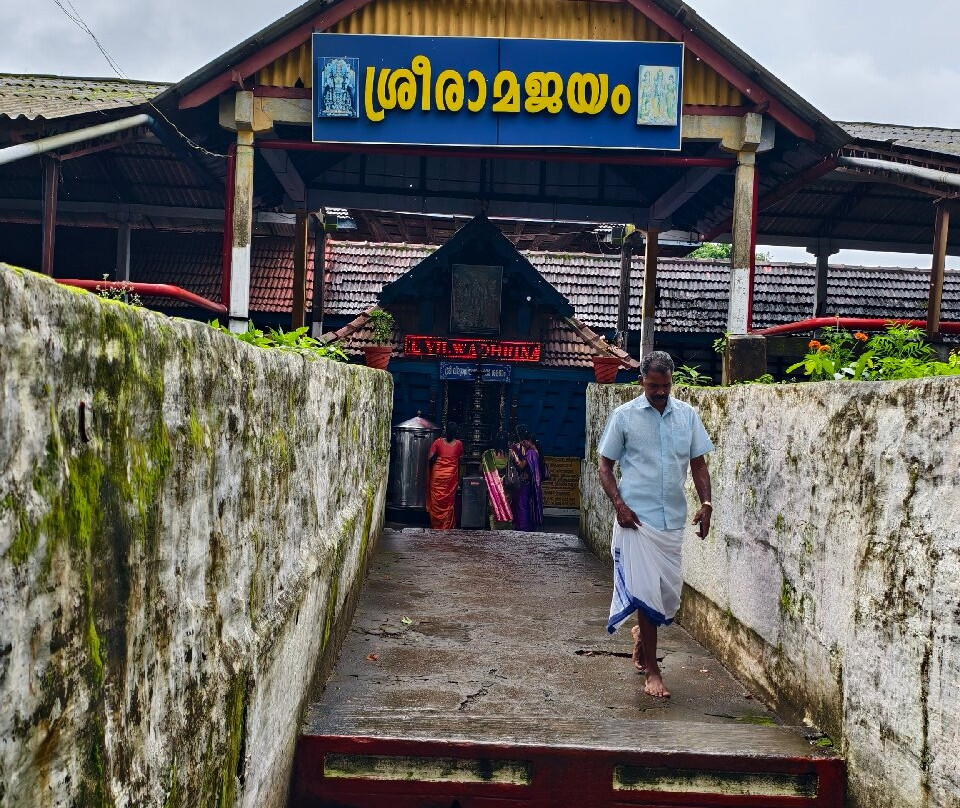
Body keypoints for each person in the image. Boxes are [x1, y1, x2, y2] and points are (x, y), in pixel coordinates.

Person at [597, 351, 714, 699]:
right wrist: (619, 505)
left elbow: (699, 465)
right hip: (636, 520)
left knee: (666, 599)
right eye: (653, 386)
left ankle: (640, 638)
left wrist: (706, 504)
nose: (660, 392)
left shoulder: (688, 416)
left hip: (672, 522)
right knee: (646, 594)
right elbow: (604, 467)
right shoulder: (624, 417)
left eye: (665, 386)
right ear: (641, 382)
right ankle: (653, 670)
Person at [426, 422, 465, 530]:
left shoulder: (437, 442)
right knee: (448, 502)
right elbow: (461, 460)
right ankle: (446, 526)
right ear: (456, 432)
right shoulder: (458, 444)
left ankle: (436, 525)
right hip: (450, 477)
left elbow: (430, 457)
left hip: (437, 475)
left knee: (436, 501)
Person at [510, 424, 544, 531]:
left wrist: (514, 457)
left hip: (525, 480)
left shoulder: (529, 452)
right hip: (532, 480)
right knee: (529, 503)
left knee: (522, 504)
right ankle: (530, 525)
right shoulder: (536, 450)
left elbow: (521, 465)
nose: (523, 444)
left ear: (529, 441)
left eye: (525, 442)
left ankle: (523, 526)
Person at [481, 431, 513, 530]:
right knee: (506, 507)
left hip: (493, 486)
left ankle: (494, 529)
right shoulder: (510, 453)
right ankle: (506, 530)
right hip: (505, 486)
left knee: (494, 508)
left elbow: (482, 469)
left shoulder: (488, 454)